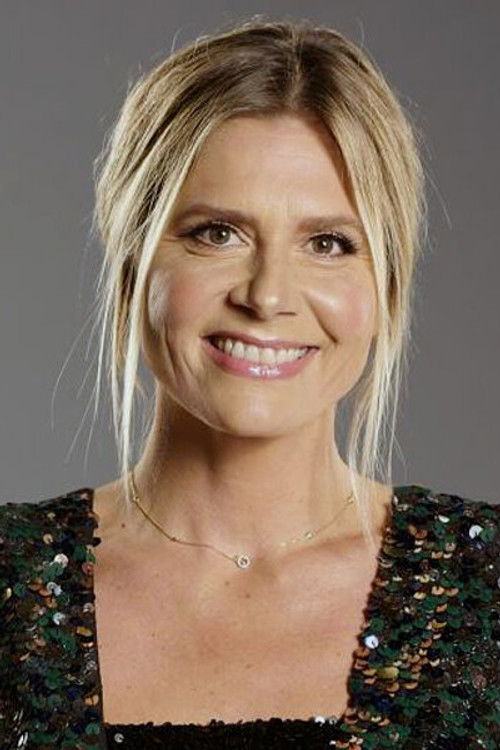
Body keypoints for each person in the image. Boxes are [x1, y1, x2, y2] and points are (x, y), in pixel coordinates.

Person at [1, 16, 499, 750]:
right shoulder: (12, 588)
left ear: (387, 285)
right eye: (217, 233)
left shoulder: (485, 585)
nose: (267, 296)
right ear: (134, 258)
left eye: (328, 243)